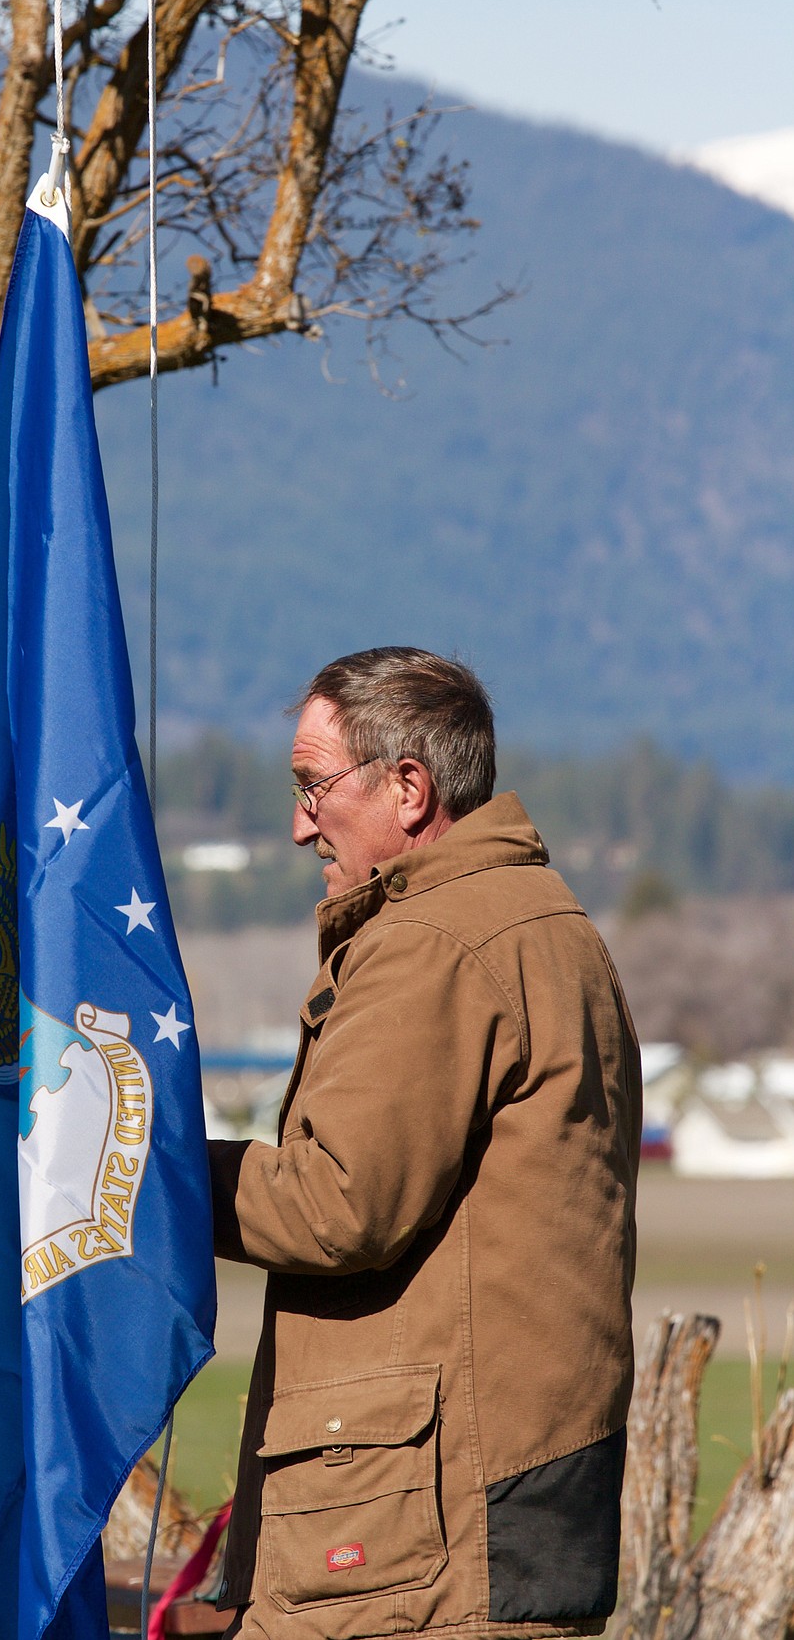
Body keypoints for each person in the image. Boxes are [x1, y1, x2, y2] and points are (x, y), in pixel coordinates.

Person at [208, 647, 641, 1640]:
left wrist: (141, 1177)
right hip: (516, 1502)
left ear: (409, 788)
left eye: (313, 786)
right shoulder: (551, 924)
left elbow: (336, 1206)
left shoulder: (436, 939)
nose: (298, 823)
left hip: (419, 1534)